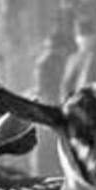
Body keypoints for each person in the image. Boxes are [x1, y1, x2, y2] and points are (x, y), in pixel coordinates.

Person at [31, 18, 75, 175]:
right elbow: (47, 89)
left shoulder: (50, 60)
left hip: (52, 108)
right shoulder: (47, 62)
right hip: (50, 108)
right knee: (48, 149)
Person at [60, 15, 96, 101]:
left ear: (93, 38)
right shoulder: (73, 59)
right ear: (77, 39)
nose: (85, 41)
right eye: (81, 37)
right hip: (79, 102)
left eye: (87, 37)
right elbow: (66, 85)